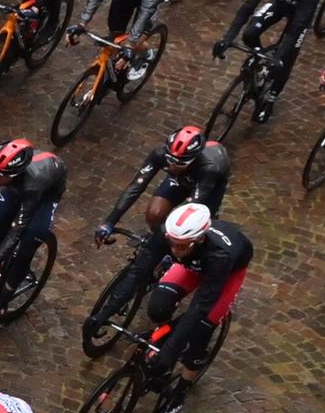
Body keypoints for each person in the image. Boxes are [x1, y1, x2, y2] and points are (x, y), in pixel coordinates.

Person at [93, 126, 233, 330]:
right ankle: (159, 252)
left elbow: (187, 212)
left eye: (179, 162)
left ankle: (172, 257)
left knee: (184, 227)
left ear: (193, 158)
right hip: (183, 179)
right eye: (170, 160)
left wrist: (169, 240)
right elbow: (136, 186)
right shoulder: (163, 155)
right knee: (155, 214)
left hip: (205, 187)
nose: (173, 165)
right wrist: (110, 221)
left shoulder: (210, 167)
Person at [145, 203, 252, 413]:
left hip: (224, 273)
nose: (174, 250)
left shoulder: (219, 256)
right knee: (158, 306)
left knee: (201, 329)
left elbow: (200, 307)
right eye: (171, 243)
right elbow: (143, 265)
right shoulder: (176, 239)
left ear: (200, 239)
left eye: (181, 246)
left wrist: (171, 351)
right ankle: (165, 336)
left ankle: (179, 392)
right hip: (194, 263)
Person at [211, 0, 321, 124]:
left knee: (286, 57)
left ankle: (270, 99)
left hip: (298, 17)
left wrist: (278, 58)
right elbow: (247, 7)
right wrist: (228, 37)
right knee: (250, 33)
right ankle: (259, 62)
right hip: (279, 5)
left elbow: (296, 30)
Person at [0, 140, 65, 323]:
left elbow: (14, 234)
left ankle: (2, 302)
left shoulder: (33, 185)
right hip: (20, 184)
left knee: (29, 240)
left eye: (2, 176)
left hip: (46, 193)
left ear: (15, 173)